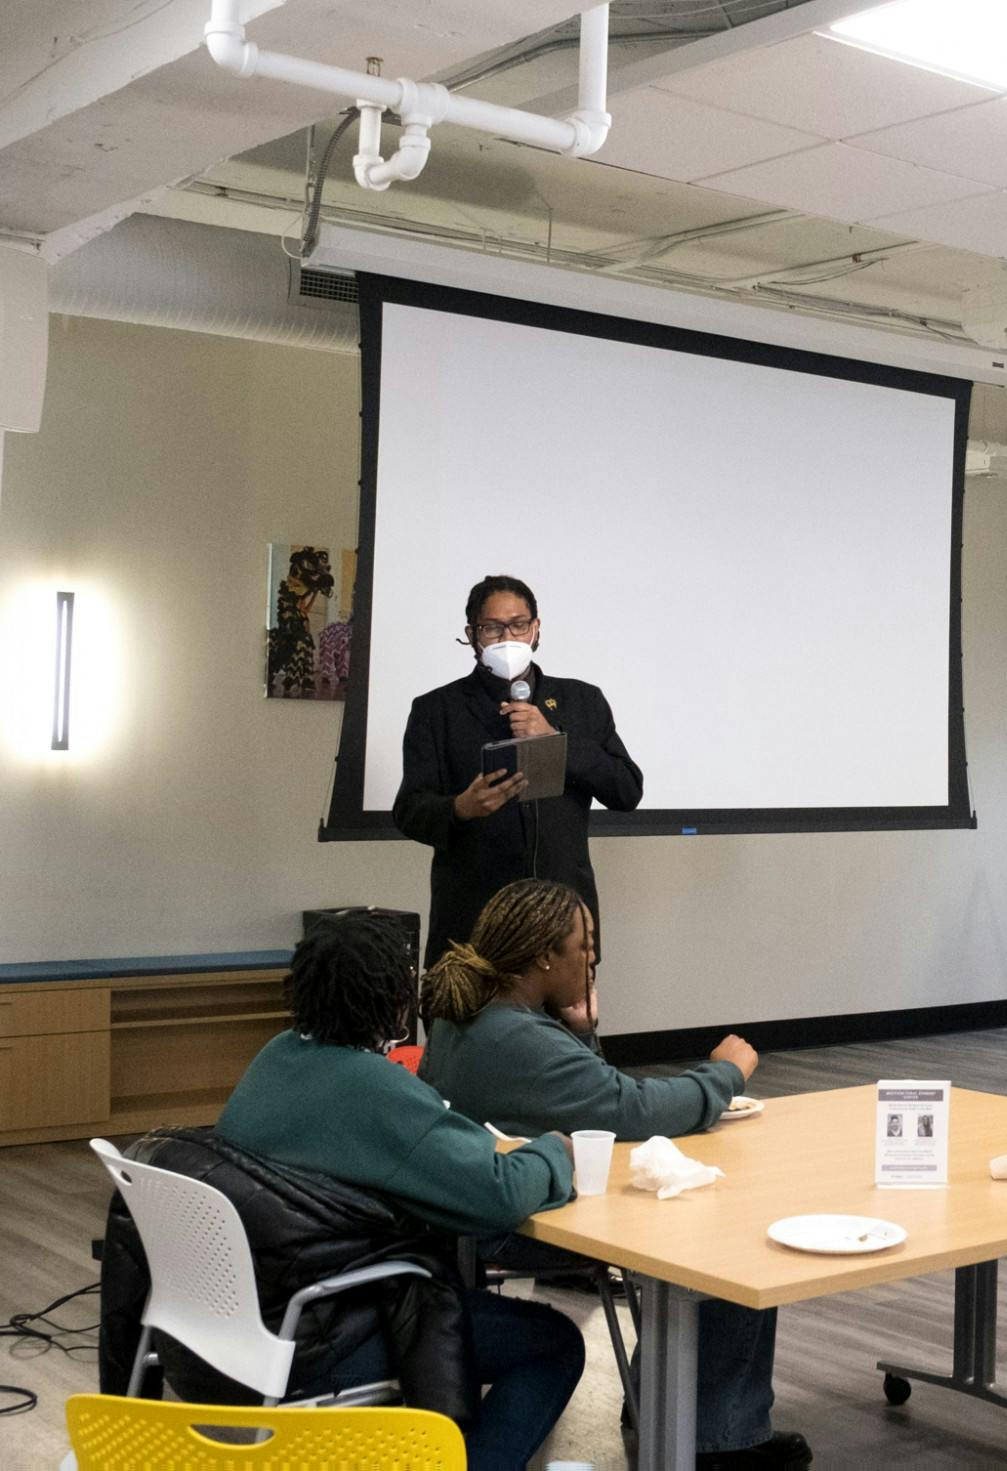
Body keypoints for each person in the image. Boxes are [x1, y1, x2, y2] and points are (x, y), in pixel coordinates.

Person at [420, 879, 807, 1471]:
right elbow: (632, 1108)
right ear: (547, 955)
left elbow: (588, 1095)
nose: (594, 957)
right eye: (586, 943)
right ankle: (719, 1434)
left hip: (483, 1210)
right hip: (514, 1226)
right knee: (729, 1234)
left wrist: (578, 1029)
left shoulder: (476, 1018)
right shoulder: (517, 1038)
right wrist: (724, 1074)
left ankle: (670, 1403)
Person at [214, 912, 585, 1471]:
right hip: (328, 1332)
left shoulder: (273, 1058)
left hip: (239, 1320)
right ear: (394, 1000)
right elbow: (500, 1194)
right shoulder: (374, 1089)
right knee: (553, 1342)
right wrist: (554, 1150)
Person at [394, 574, 643, 967]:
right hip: (473, 930)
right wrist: (460, 808)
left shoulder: (583, 701)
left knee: (564, 1031)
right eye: (492, 628)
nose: (507, 638)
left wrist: (556, 738)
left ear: (536, 629)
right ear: (472, 635)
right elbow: (409, 811)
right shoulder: (436, 710)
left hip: (562, 928)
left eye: (519, 625)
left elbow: (627, 790)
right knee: (468, 1029)